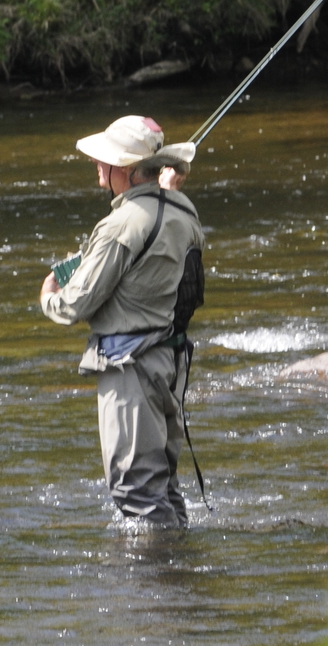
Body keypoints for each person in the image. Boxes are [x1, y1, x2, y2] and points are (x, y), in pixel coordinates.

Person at [39, 115, 205, 529]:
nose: (97, 165)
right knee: (162, 486)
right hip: (169, 361)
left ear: (128, 171)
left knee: (136, 490)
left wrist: (48, 296)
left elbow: (75, 305)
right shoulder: (184, 212)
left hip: (130, 365)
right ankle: (178, 581)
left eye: (104, 160)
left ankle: (152, 587)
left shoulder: (121, 225)